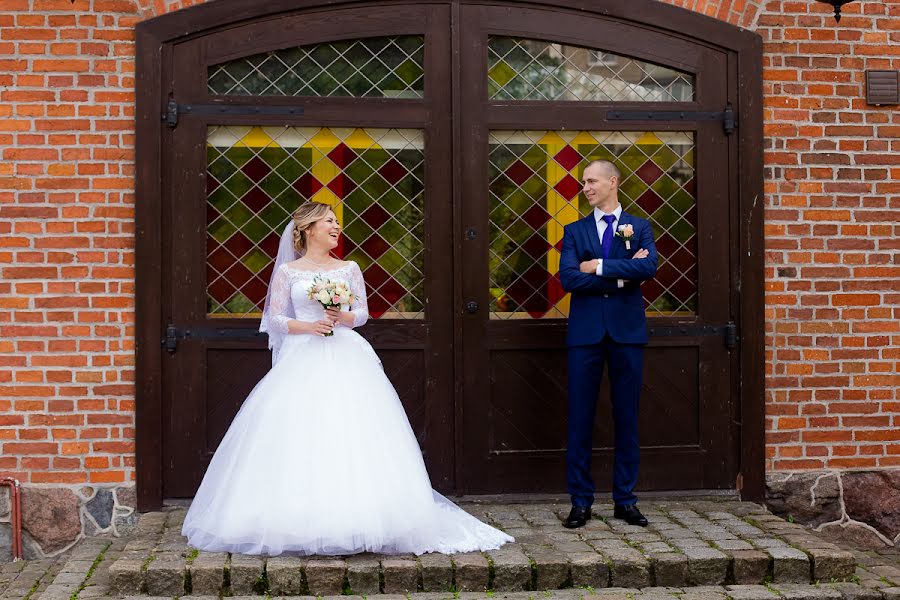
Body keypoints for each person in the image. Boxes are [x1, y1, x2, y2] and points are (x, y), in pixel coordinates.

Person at [182, 201, 513, 556]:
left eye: (337, 222)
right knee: (300, 433)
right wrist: (310, 325)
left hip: (346, 354)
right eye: (329, 222)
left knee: (353, 428)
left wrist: (341, 317)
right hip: (303, 358)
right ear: (309, 229)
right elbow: (274, 320)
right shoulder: (289, 272)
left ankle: (364, 516)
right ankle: (297, 517)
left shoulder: (348, 268)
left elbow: (363, 314)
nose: (337, 227)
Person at [558, 160, 658, 529]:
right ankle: (580, 502)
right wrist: (621, 273)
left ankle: (625, 500)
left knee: (627, 419)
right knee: (580, 419)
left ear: (613, 181)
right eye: (583, 182)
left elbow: (649, 269)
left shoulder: (640, 227)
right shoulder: (574, 231)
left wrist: (598, 266)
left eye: (592, 181)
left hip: (627, 334)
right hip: (585, 335)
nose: (585, 187)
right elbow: (569, 278)